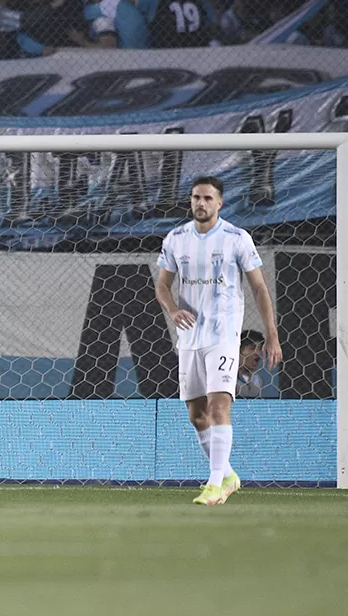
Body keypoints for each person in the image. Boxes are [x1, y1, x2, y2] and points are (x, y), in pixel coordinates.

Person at [154, 176, 281, 506]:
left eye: (208, 198)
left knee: (219, 405)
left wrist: (272, 334)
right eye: (196, 197)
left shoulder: (237, 238)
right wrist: (172, 310)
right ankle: (227, 475)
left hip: (223, 336)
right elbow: (162, 285)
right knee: (197, 415)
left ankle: (213, 484)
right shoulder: (176, 239)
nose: (201, 203)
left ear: (220, 203)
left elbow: (259, 288)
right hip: (189, 338)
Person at [236, 330, 267, 398]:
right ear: (239, 350)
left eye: (260, 349)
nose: (257, 353)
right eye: (252, 348)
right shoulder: (230, 378)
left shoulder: (258, 380)